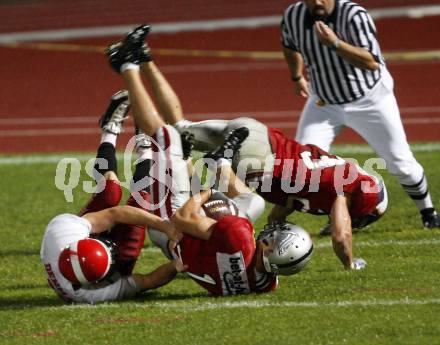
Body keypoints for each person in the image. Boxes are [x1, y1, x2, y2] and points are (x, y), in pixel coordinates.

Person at [105, 24, 387, 270]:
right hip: (258, 157)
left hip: (254, 133)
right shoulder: (346, 188)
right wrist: (351, 263)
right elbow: (341, 235)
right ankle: (220, 161)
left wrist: (271, 229)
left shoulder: (327, 183)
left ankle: (141, 56)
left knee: (178, 129)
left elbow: (284, 205)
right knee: (166, 138)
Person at [103, 25, 314, 295]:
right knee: (256, 202)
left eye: (275, 239)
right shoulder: (264, 283)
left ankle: (126, 66)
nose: (272, 234)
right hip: (206, 237)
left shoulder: (238, 237)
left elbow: (182, 219)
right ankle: (218, 162)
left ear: (272, 249)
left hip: (171, 224)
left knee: (165, 135)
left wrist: (208, 192)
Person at [280, 0, 440, 231]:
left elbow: (372, 62)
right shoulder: (293, 16)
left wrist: (334, 43)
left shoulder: (353, 15)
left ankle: (429, 213)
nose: (316, 2)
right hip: (324, 101)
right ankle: (340, 216)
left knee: (401, 162)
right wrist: (297, 76)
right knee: (303, 164)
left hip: (370, 98)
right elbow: (289, 45)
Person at [41, 91, 184, 304]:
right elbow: (146, 281)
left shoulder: (62, 231)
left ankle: (109, 129)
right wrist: (177, 266)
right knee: (143, 200)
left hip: (76, 243)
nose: (113, 249)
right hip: (99, 271)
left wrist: (165, 226)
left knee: (110, 190)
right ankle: (145, 148)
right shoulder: (92, 294)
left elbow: (116, 213)